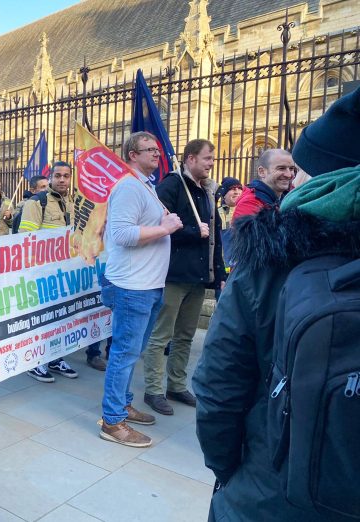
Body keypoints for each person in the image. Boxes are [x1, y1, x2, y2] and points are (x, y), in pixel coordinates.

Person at [193, 86, 360, 521]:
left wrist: (230, 471)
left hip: (272, 490)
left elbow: (218, 387)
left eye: (297, 168)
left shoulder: (272, 255)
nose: (291, 178)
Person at [99, 131, 183, 447]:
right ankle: (112, 421)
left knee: (132, 353)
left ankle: (123, 404)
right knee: (124, 353)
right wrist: (164, 227)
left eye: (157, 149)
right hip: (133, 287)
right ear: (132, 154)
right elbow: (121, 234)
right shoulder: (128, 187)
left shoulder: (146, 187)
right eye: (149, 149)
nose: (157, 154)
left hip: (148, 285)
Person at [143, 139, 225, 416]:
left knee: (186, 336)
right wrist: (191, 231)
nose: (211, 163)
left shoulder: (207, 191)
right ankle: (153, 389)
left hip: (198, 277)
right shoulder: (172, 185)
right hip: (173, 275)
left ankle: (176, 385)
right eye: (207, 158)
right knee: (161, 336)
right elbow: (157, 225)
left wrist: (218, 273)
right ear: (190, 158)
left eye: (212, 159)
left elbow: (214, 236)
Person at [19, 161, 84, 381]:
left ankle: (55, 357)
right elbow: (25, 241)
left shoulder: (72, 202)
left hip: (65, 273)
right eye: (58, 176)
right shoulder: (37, 203)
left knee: (60, 318)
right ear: (51, 177)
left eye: (66, 176)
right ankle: (34, 362)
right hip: (42, 274)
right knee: (41, 319)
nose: (62, 180)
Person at [232, 148, 296, 221]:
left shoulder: (288, 197)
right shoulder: (249, 204)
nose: (289, 175)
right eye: (281, 168)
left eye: (291, 169)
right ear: (262, 172)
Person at [215, 176, 242, 298]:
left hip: (242, 269)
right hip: (223, 273)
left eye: (239, 188)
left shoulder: (248, 211)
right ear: (224, 194)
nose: (237, 191)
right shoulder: (215, 213)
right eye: (232, 189)